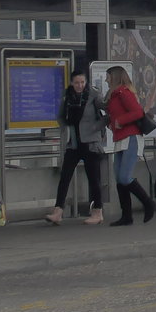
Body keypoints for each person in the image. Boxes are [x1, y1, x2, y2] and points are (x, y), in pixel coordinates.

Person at [44, 71, 107, 226]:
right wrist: (65, 128)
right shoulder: (67, 97)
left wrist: (95, 127)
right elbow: (60, 116)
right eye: (77, 82)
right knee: (65, 176)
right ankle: (58, 211)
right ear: (71, 83)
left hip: (90, 142)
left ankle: (98, 212)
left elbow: (107, 114)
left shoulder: (94, 96)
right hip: (73, 143)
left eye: (82, 82)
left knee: (94, 178)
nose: (80, 85)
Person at [104, 65, 155, 226]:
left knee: (125, 176)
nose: (106, 79)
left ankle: (148, 203)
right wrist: (112, 123)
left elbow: (137, 112)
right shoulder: (114, 95)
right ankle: (127, 215)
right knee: (119, 178)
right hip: (120, 137)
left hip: (131, 137)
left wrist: (119, 121)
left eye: (108, 76)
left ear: (114, 77)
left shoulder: (123, 93)